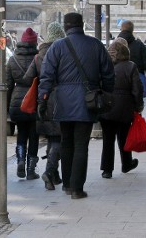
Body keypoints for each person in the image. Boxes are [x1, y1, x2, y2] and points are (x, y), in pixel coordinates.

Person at [38, 13, 115, 199]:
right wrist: (105, 92)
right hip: (87, 101)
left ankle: (67, 184)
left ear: (66, 27)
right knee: (81, 144)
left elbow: (46, 75)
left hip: (63, 101)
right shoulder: (95, 45)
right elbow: (108, 73)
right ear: (82, 25)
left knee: (66, 143)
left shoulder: (57, 47)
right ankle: (77, 188)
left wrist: (43, 98)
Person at [22, 21, 65, 190]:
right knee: (59, 137)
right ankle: (50, 171)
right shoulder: (63, 51)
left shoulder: (39, 54)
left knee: (52, 136)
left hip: (43, 99)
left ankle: (54, 176)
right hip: (60, 98)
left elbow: (27, 77)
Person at [99, 38, 144, 179]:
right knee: (124, 137)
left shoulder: (104, 65)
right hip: (125, 108)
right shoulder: (130, 66)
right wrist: (138, 106)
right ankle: (126, 164)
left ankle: (107, 170)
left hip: (106, 107)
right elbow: (137, 90)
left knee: (108, 139)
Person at [6, 27, 40, 180]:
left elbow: (7, 86)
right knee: (34, 135)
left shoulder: (12, 60)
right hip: (34, 101)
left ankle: (20, 160)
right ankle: (31, 169)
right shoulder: (38, 59)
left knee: (21, 134)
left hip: (17, 102)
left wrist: (7, 108)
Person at [117, 20, 146, 97]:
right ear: (132, 31)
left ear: (121, 30)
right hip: (138, 76)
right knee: (139, 100)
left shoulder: (115, 44)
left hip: (119, 77)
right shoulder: (139, 45)